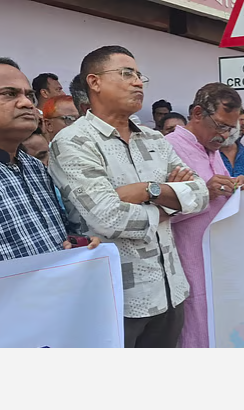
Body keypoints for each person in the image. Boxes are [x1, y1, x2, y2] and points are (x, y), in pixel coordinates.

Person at [48, 45, 210, 348]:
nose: (138, 82)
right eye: (126, 74)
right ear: (95, 82)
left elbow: (200, 194)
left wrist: (147, 190)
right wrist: (170, 204)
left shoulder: (153, 138)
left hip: (171, 289)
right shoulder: (73, 141)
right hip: (116, 298)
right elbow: (108, 218)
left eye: (139, 75)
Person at [165, 82, 244, 348]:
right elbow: (160, 211)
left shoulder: (212, 151)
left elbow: (219, 194)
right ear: (198, 113)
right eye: (221, 126)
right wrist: (205, 192)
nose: (224, 136)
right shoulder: (168, 148)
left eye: (231, 129)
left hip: (219, 261)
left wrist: (237, 188)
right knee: (197, 332)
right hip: (189, 260)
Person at [0, 57, 100, 262]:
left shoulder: (36, 168)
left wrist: (78, 243)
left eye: (29, 95)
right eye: (9, 94)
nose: (27, 103)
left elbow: (57, 234)